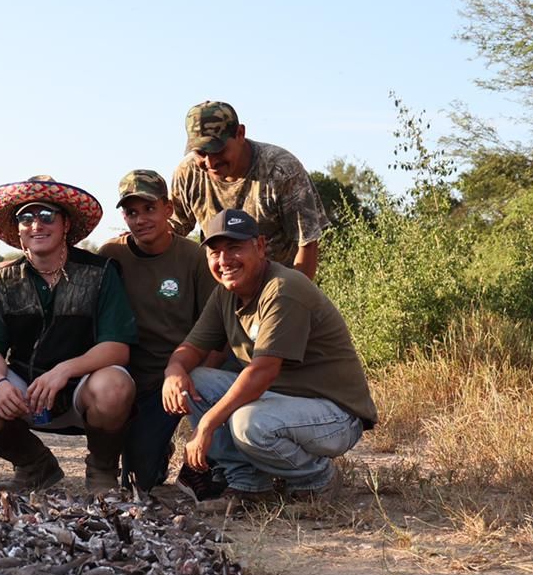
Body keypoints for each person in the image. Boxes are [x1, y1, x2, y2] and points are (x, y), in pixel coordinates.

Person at [162, 208, 376, 502]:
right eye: (215, 252)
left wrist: (207, 425)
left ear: (260, 246)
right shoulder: (225, 293)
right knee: (195, 380)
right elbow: (192, 349)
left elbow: (263, 371)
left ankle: (318, 478)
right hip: (282, 403)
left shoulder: (283, 288)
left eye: (234, 247)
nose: (224, 260)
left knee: (249, 424)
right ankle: (248, 483)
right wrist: (173, 372)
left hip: (335, 415)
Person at [0, 176, 136, 494]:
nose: (37, 224)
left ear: (65, 225)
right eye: (26, 217)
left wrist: (63, 371)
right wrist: (1, 383)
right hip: (26, 389)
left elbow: (117, 348)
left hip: (84, 388)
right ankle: (35, 465)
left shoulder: (101, 271)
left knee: (114, 387)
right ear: (19, 231)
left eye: (47, 215)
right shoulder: (5, 279)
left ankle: (102, 469)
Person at [97, 169, 217, 491]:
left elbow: (217, 330)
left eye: (149, 209)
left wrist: (197, 387)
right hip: (127, 379)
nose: (140, 219)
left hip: (178, 376)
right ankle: (151, 446)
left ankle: (214, 458)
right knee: (138, 481)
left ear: (169, 208)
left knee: (146, 480)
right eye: (131, 212)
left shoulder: (196, 257)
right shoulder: (111, 255)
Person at [169, 101, 328, 280]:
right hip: (222, 285)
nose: (210, 162)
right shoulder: (189, 172)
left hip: (276, 286)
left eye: (218, 150)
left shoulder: (281, 170)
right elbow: (172, 230)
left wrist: (294, 298)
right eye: (201, 153)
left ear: (240, 134)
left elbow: (307, 243)